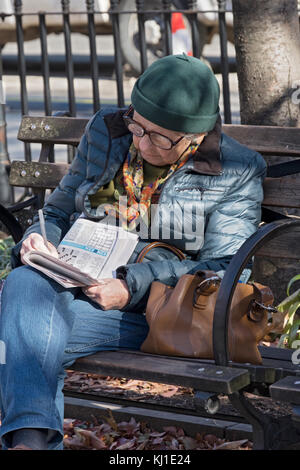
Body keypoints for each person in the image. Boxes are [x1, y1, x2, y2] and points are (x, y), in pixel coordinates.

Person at [0, 53, 266, 450]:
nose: (141, 143)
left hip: (158, 310)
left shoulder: (236, 170)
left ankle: (29, 443)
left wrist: (131, 287)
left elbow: (225, 267)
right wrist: (38, 241)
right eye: (137, 125)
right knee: (25, 280)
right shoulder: (108, 131)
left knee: (24, 336)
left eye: (159, 137)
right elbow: (57, 209)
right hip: (73, 283)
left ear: (195, 137)